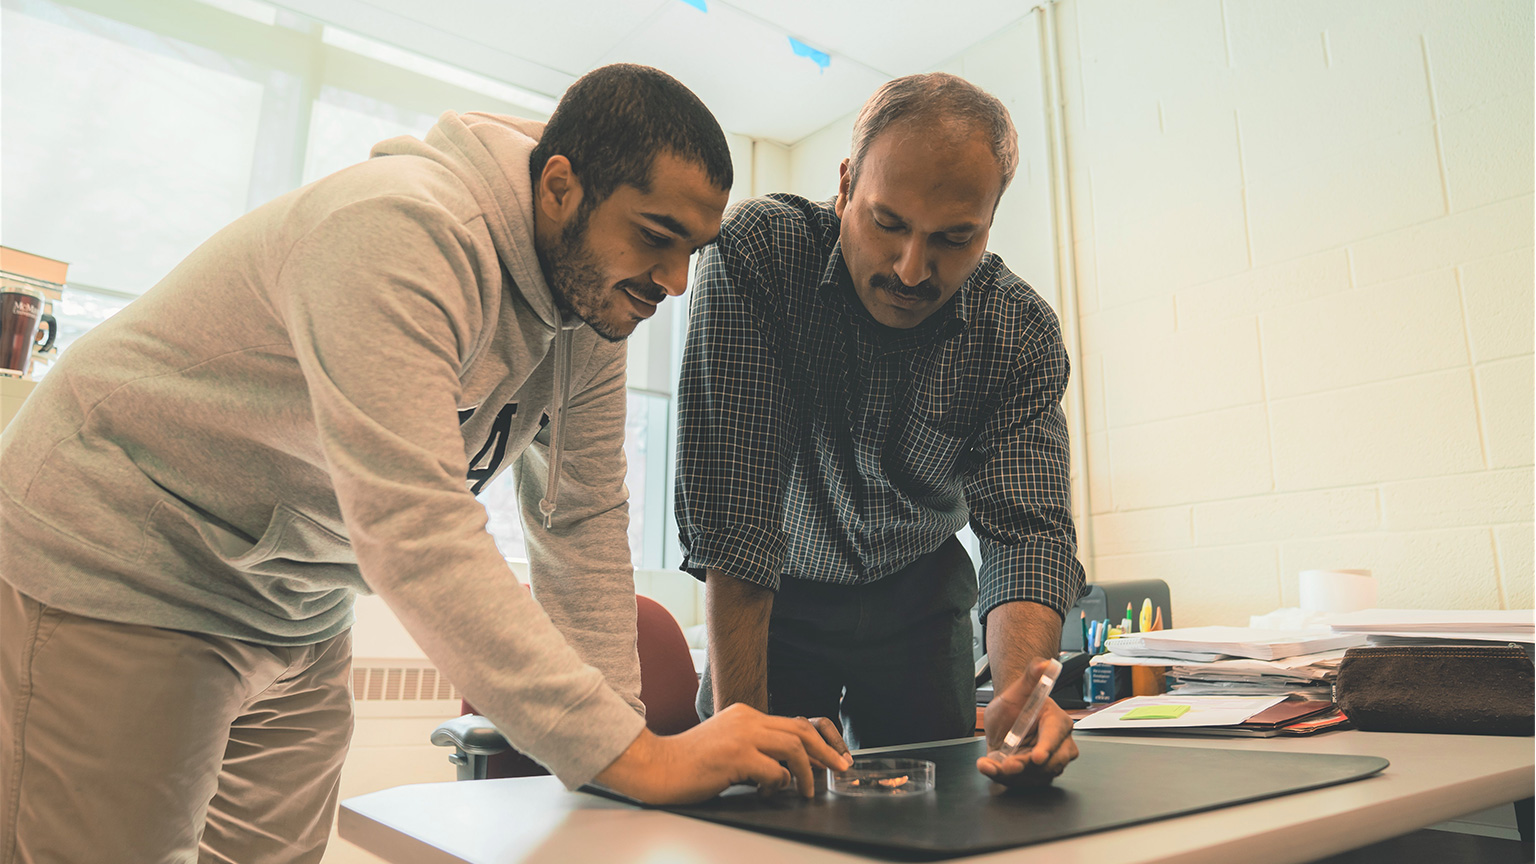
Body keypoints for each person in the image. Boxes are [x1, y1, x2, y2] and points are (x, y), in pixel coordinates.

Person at [0, 63, 846, 864]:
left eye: (694, 248)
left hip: (295, 600)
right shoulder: (400, 231)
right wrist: (637, 756)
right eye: (657, 237)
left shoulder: (594, 309)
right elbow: (416, 528)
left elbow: (580, 523)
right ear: (561, 186)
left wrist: (614, 756)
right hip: (128, 551)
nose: (674, 280)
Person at [675, 72, 1085, 786]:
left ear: (990, 222)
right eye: (887, 223)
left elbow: (1026, 532)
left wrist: (1025, 695)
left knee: (948, 804)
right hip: (773, 592)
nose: (911, 268)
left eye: (955, 239)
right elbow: (734, 517)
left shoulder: (1018, 333)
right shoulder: (759, 256)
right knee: (754, 796)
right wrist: (738, 729)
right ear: (844, 186)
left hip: (919, 595)